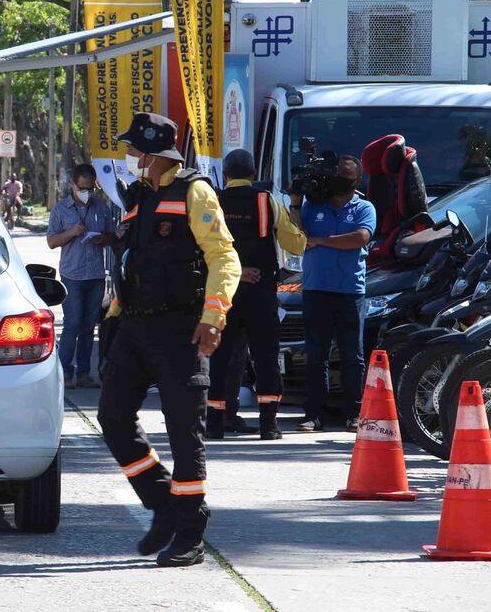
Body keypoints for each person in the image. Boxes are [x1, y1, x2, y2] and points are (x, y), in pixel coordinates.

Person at [98, 112, 240, 567]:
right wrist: (116, 316)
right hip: (135, 326)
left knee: (185, 434)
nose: (128, 157)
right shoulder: (139, 197)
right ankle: (162, 504)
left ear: (154, 153)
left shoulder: (195, 191)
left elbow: (224, 257)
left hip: (182, 330)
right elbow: (133, 265)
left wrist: (213, 318)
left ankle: (189, 530)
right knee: (113, 418)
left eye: (133, 149)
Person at [206, 149, 306, 441]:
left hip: (223, 293)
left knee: (220, 358)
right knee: (265, 357)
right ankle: (268, 425)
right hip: (260, 294)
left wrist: (235, 270)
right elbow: (296, 245)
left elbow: (203, 247)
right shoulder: (267, 202)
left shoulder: (214, 202)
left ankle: (214, 424)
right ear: (253, 175)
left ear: (225, 175)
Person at [297, 154, 376, 433]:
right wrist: (296, 203)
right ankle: (313, 414)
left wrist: (319, 241)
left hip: (349, 291)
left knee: (352, 355)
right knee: (316, 354)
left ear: (356, 181)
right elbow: (297, 237)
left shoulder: (364, 207)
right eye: (337, 175)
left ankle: (354, 413)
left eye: (345, 176)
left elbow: (360, 239)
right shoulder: (313, 205)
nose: (339, 181)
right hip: (316, 288)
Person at [47, 164, 116, 389]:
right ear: (73, 186)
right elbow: (51, 242)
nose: (87, 192)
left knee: (88, 326)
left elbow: (111, 238)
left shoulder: (101, 208)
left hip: (95, 275)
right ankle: (65, 373)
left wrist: (101, 239)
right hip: (72, 276)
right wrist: (72, 232)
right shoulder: (60, 210)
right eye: (82, 188)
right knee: (73, 324)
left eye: (91, 188)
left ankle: (84, 373)